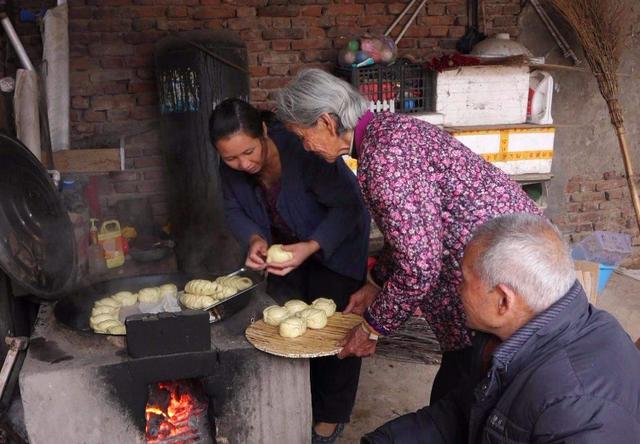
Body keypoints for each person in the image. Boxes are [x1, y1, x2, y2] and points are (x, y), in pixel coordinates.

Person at [275, 68, 541, 402]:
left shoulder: (384, 159)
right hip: (516, 259)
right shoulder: (389, 131)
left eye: (303, 136)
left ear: (327, 122)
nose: (305, 146)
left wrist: (372, 327)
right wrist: (375, 282)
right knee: (470, 384)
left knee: (466, 393)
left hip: (507, 274)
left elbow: (419, 267)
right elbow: (412, 236)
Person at [361, 213, 640, 443]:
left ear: (503, 300)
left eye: (465, 280)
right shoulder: (508, 340)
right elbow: (461, 414)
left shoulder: (579, 412)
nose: (456, 289)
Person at [209, 98, 370, 443]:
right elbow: (233, 209)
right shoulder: (230, 169)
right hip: (285, 252)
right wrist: (254, 239)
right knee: (284, 324)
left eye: (248, 152)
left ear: (264, 131)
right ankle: (300, 401)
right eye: (230, 158)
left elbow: (348, 207)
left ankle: (330, 418)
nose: (242, 164)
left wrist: (312, 246)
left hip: (336, 246)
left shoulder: (305, 151)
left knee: (334, 328)